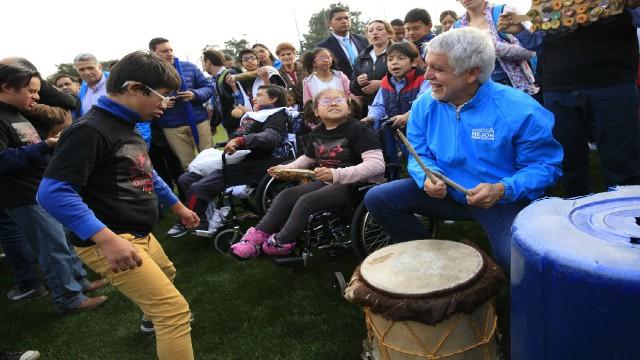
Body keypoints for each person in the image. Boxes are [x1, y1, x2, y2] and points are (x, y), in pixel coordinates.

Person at [37, 51, 199, 360]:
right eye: (162, 96)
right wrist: (107, 240)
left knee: (167, 272)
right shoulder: (89, 130)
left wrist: (177, 206)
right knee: (173, 312)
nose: (164, 105)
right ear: (135, 88)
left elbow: (146, 172)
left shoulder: (127, 126)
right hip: (110, 239)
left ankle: (149, 320)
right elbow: (53, 192)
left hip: (137, 232)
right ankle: (158, 319)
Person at [364, 28, 563, 270]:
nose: (427, 76)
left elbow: (545, 167)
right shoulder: (424, 105)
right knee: (379, 198)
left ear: (472, 73)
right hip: (445, 194)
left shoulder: (520, 110)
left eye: (438, 69)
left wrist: (503, 189)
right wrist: (426, 176)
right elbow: (419, 153)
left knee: (518, 262)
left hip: (500, 202)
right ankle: (433, 261)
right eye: (427, 66)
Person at [499, 3, 640, 196]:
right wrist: (520, 31)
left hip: (611, 83)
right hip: (559, 87)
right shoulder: (545, 3)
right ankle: (578, 215)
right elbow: (539, 43)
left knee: (622, 161)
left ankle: (626, 219)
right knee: (569, 162)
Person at [0, 64, 108, 312]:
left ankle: (80, 282)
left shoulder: (17, 112)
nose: (37, 97)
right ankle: (69, 298)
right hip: (23, 196)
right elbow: (3, 160)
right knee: (52, 248)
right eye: (30, 90)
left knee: (64, 241)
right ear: (6, 87)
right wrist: (45, 146)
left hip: (42, 189)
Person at [230, 89, 385, 259]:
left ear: (348, 108)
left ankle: (282, 242)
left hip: (358, 183)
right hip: (329, 180)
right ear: (317, 111)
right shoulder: (318, 132)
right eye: (326, 101)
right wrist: (286, 169)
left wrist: (335, 174)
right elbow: (308, 158)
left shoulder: (359, 130)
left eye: (339, 100)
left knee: (306, 201)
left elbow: (377, 165)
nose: (333, 103)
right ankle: (253, 239)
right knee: (286, 195)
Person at [167, 85, 289, 238]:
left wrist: (240, 141)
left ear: (273, 99)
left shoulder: (276, 115)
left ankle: (191, 221)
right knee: (185, 179)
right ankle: (205, 215)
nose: (254, 98)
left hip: (252, 164)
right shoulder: (258, 114)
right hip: (235, 158)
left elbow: (271, 137)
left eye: (259, 95)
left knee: (198, 188)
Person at [361, 42, 429, 177]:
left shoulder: (423, 79)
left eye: (400, 58)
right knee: (393, 162)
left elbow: (423, 105)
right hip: (395, 131)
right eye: (390, 59)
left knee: (419, 163)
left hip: (420, 132)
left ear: (414, 62)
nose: (394, 63)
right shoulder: (386, 82)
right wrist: (371, 117)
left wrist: (407, 116)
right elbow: (379, 106)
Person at [150, 37, 214, 169]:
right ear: (153, 53)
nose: (170, 53)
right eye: (164, 51)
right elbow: (144, 98)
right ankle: (197, 190)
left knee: (211, 160)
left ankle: (217, 189)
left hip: (199, 120)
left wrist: (194, 94)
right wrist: (159, 104)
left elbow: (208, 88)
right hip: (172, 126)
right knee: (188, 165)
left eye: (171, 49)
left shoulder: (189, 67)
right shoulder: (148, 74)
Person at [454, 0, 538, 94]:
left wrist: (490, 46)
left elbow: (529, 51)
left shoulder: (504, 12)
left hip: (514, 89)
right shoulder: (456, 28)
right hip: (479, 93)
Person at [201, 49, 250, 138]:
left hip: (239, 125)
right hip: (231, 124)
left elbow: (241, 100)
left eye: (202, 61)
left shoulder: (230, 76)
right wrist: (214, 123)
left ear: (208, 62)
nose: (202, 64)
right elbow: (218, 103)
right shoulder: (217, 78)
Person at [316, 7, 369, 79]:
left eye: (346, 18)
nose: (344, 21)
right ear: (329, 23)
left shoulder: (362, 39)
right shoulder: (323, 46)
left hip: (368, 84)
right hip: (342, 87)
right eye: (339, 19)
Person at [351, 20, 393, 107]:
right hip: (371, 108)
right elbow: (353, 88)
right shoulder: (361, 58)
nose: (375, 33)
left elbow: (408, 78)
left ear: (389, 34)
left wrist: (382, 84)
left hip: (395, 104)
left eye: (379, 29)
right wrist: (358, 82)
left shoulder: (399, 53)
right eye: (370, 31)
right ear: (367, 36)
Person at [276, 42, 306, 108]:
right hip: (291, 108)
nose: (286, 57)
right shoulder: (277, 74)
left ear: (294, 54)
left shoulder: (305, 69)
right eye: (282, 55)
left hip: (309, 104)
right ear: (278, 57)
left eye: (289, 54)